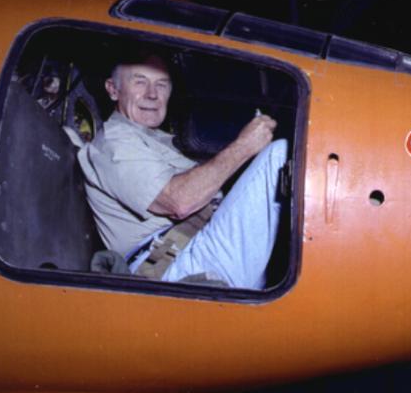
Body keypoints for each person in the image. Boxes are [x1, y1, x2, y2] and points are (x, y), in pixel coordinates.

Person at [78, 54, 287, 289]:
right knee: (279, 155)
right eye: (139, 81)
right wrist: (244, 146)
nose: (152, 94)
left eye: (162, 84)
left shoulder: (158, 139)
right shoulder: (114, 140)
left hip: (196, 245)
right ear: (113, 90)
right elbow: (178, 203)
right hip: (173, 265)